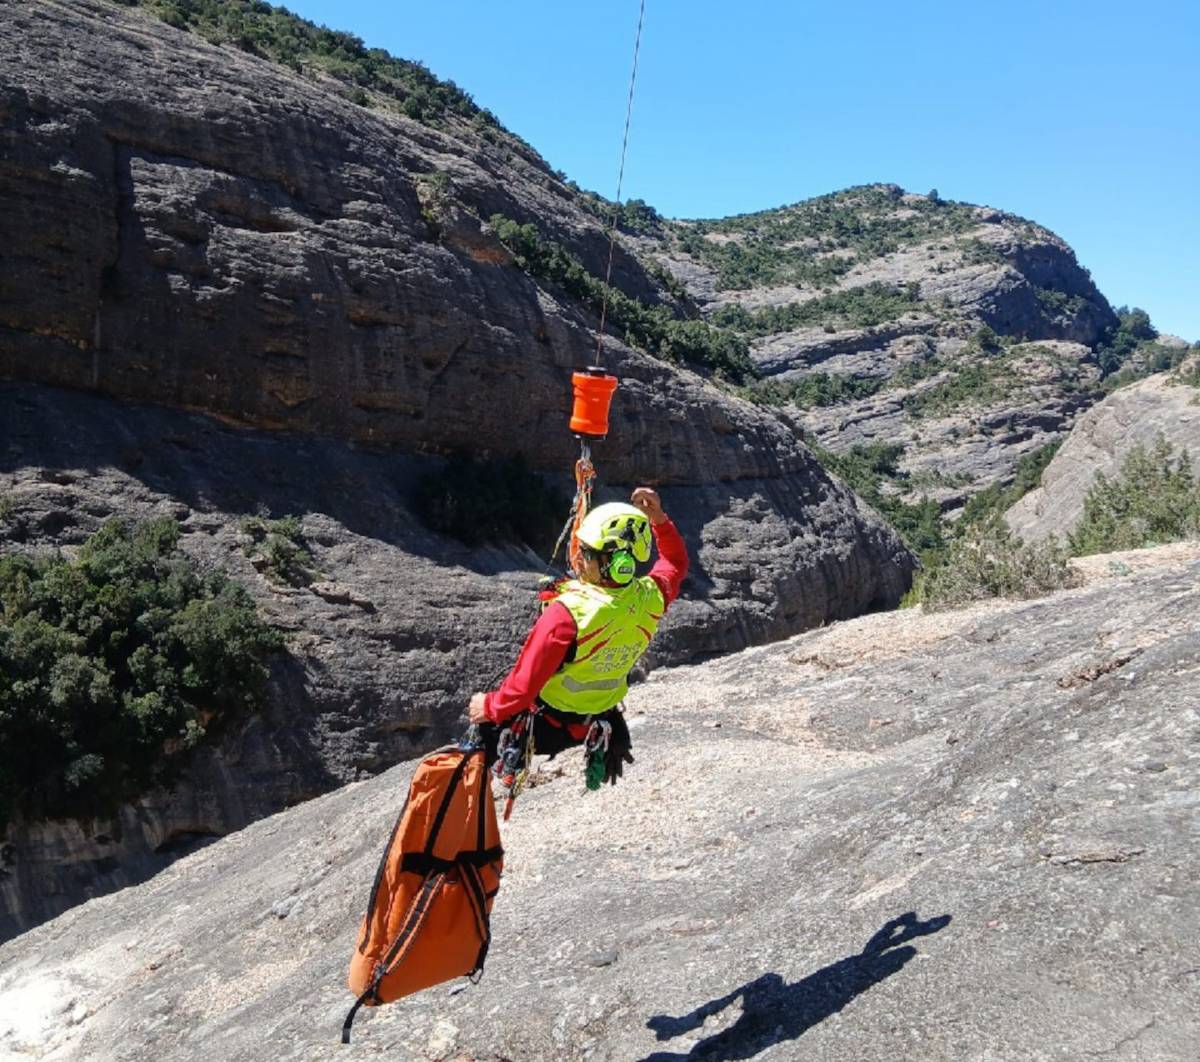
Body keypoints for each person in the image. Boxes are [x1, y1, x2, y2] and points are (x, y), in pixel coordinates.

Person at [467, 487, 688, 784]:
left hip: (547, 724)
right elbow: (675, 563)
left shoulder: (567, 614)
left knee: (471, 748)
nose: (578, 560)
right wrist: (659, 520)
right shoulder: (652, 597)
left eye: (586, 554)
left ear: (616, 563)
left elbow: (522, 690)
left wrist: (488, 706)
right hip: (597, 720)